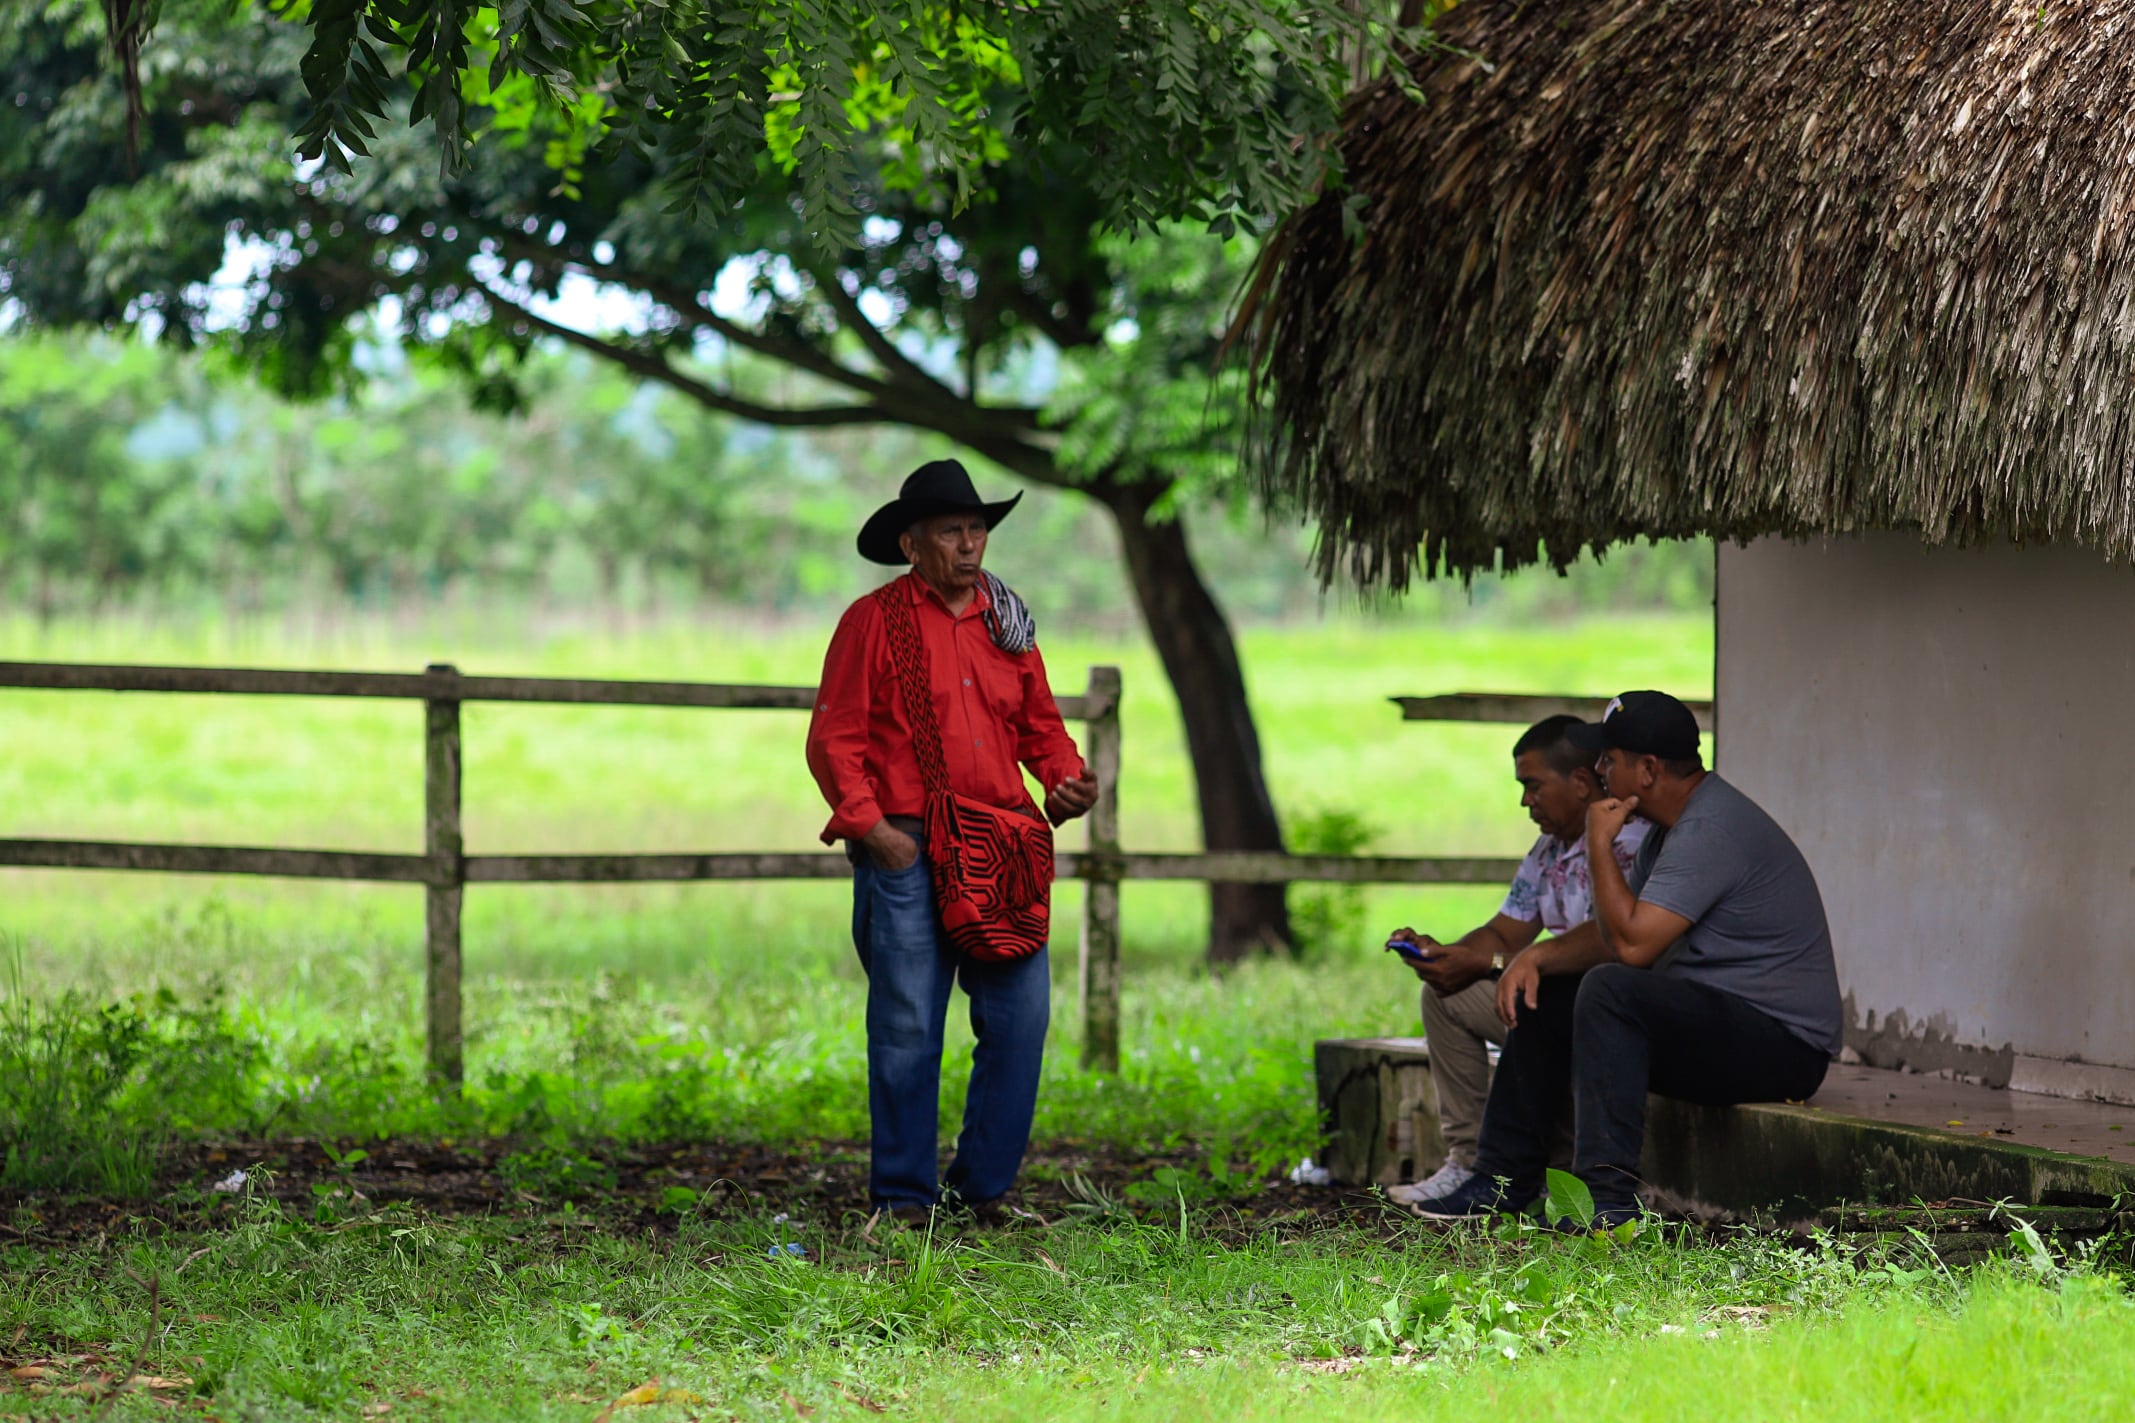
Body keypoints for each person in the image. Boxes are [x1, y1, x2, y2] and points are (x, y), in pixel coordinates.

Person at [1413, 690, 1841, 1229]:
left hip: (1782, 1047)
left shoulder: (1709, 829)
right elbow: (1614, 934)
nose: (1598, 771)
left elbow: (1634, 948)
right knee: (1548, 995)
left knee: (1609, 989)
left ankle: (1604, 1202)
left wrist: (1597, 842)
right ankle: (1503, 1181)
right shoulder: (1670, 831)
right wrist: (1537, 958)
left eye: (1608, 761)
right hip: (1717, 1024)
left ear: (1647, 769)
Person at [806, 459, 1100, 1222]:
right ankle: (902, 1201)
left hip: (1001, 850)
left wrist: (1066, 781)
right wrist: (875, 832)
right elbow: (834, 738)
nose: (970, 545)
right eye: (951, 531)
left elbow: (1041, 728)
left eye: (976, 529)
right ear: (912, 543)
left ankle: (981, 1192)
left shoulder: (1009, 624)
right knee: (906, 1027)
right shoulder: (873, 621)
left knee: (1019, 1022)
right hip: (907, 846)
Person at [1384, 715, 1647, 1207]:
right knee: (1448, 995)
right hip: (1554, 1007)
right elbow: (1506, 929)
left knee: (1533, 1000)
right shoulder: (1549, 849)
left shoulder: (1632, 843)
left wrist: (1515, 961)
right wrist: (1454, 955)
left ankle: (1521, 1178)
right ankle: (1468, 1161)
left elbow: (1614, 939)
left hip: (1607, 1015)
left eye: (1533, 786)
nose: (1526, 801)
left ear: (1582, 782)